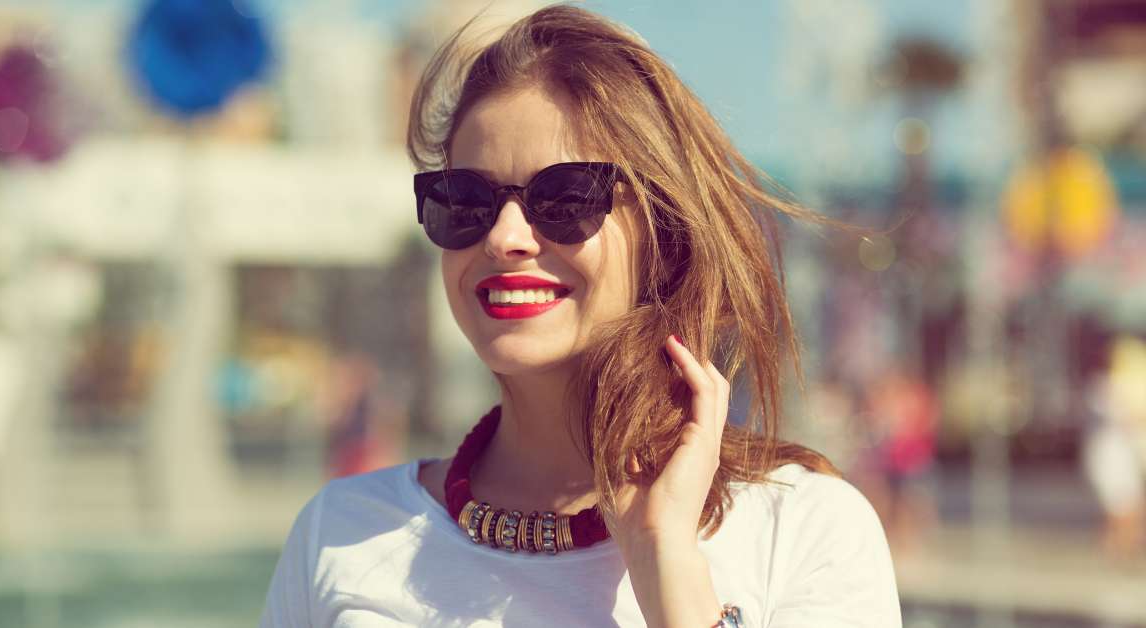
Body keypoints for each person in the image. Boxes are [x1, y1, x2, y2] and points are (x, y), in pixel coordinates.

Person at [260, 5, 901, 627]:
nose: (505, 236)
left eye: (564, 197)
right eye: (466, 200)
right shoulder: (341, 536)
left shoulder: (803, 529)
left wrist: (666, 563)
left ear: (665, 231)